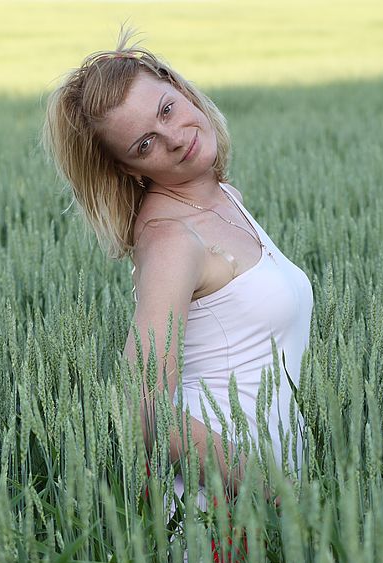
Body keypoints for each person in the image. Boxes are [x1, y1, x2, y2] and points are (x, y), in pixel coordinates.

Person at [41, 29, 313, 517]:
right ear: (129, 169)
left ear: (180, 88)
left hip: (275, 503)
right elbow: (141, 411)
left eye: (166, 109)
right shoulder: (171, 241)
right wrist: (270, 489)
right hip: (224, 518)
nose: (175, 138)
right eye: (145, 144)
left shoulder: (222, 199)